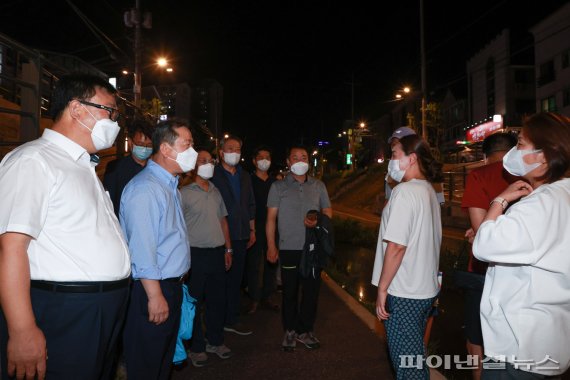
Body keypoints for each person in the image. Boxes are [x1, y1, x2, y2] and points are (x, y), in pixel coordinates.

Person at [0, 73, 131, 379]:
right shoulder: (33, 160)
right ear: (77, 109)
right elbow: (11, 247)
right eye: (109, 111)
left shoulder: (82, 164)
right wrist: (22, 330)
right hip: (66, 310)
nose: (114, 121)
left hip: (99, 308)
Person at [472, 112, 570, 379]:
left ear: (543, 155)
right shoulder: (563, 196)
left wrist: (499, 201)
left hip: (517, 348)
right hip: (550, 340)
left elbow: (483, 243)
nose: (514, 152)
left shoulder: (538, 205)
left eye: (521, 144)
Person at [120, 118, 195, 380]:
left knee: (162, 361)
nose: (192, 152)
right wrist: (155, 295)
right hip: (152, 288)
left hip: (169, 286)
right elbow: (142, 247)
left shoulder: (168, 184)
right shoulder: (146, 189)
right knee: (147, 363)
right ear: (166, 149)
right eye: (187, 144)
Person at [371, 134, 443, 380]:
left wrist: (382, 289)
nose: (391, 161)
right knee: (415, 359)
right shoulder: (428, 191)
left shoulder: (404, 192)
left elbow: (397, 246)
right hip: (424, 290)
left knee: (408, 368)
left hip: (404, 293)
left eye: (394, 155)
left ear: (411, 158)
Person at [460, 131, 517, 380]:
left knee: (477, 341)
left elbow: (483, 232)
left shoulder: (479, 175)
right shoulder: (529, 177)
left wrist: (478, 233)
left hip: (485, 273)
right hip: (522, 275)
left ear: (485, 157)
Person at [266, 145, 332, 352]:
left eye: (304, 156)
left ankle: (305, 330)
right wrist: (271, 245)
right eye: (295, 157)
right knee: (290, 292)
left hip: (313, 249)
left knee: (311, 292)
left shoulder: (318, 185)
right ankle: (290, 330)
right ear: (288, 162)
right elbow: (270, 219)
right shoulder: (278, 187)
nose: (300, 160)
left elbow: (328, 211)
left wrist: (319, 219)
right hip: (288, 248)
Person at [180, 148, 234, 367]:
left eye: (210, 161)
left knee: (217, 301)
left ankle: (215, 341)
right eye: (203, 161)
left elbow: (223, 221)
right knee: (194, 302)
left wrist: (228, 249)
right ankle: (197, 347)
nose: (208, 164)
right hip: (195, 254)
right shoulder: (183, 193)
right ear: (193, 165)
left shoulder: (215, 191)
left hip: (217, 252)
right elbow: (178, 227)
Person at [211, 135, 256, 336]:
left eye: (238, 149)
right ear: (221, 152)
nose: (234, 153)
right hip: (218, 236)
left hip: (241, 234)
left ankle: (232, 318)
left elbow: (250, 204)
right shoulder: (212, 175)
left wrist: (252, 229)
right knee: (219, 281)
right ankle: (215, 321)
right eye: (230, 148)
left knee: (236, 279)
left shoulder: (245, 176)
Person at [246, 145, 279, 314]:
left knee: (271, 262)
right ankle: (254, 298)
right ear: (254, 161)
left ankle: (268, 296)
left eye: (268, 157)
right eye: (261, 157)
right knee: (253, 264)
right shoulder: (248, 180)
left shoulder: (276, 183)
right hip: (254, 227)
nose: (264, 160)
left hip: (273, 228)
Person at [103, 118, 154, 217]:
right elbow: (108, 204)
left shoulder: (156, 169)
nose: (145, 148)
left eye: (149, 145)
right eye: (140, 144)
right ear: (130, 142)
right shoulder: (115, 168)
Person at [384, 126, 445, 207]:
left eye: (399, 144)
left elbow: (438, 204)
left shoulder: (430, 173)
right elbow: (389, 203)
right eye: (393, 144)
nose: (395, 148)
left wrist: (397, 186)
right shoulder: (392, 173)